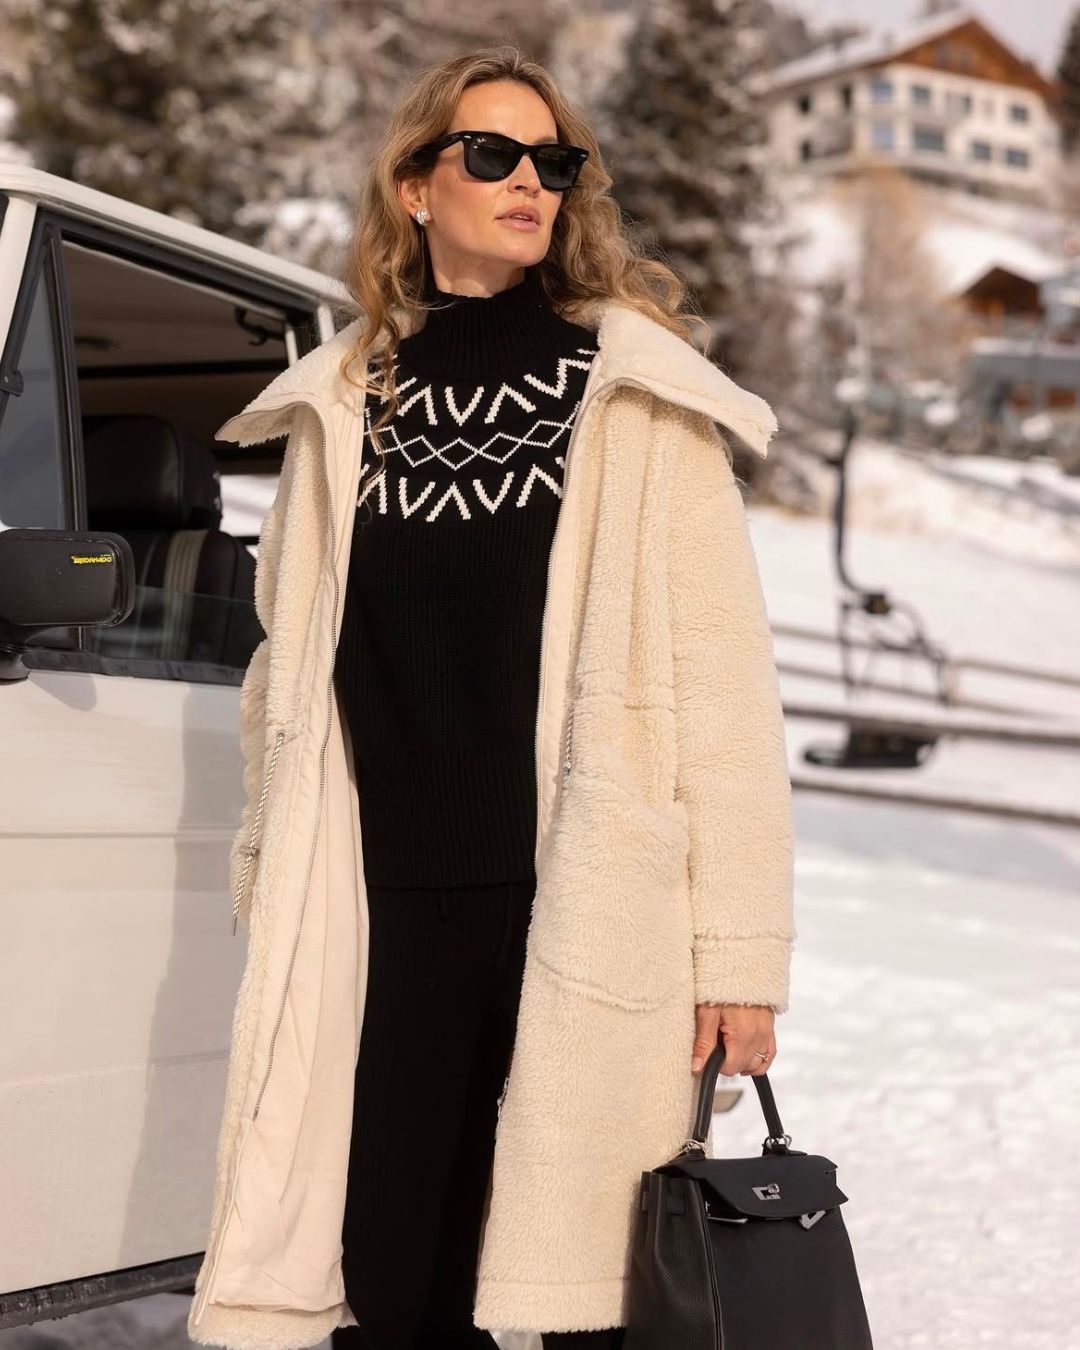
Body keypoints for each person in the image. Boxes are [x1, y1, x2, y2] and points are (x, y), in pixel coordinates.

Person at [188, 43, 794, 1350]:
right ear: (415, 184)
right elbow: (280, 673)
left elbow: (724, 688)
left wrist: (738, 955)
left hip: (579, 901)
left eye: (553, 161)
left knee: (588, 1297)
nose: (531, 181)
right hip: (384, 909)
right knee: (395, 1285)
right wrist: (266, 859)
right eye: (493, 154)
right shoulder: (343, 404)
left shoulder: (630, 392)